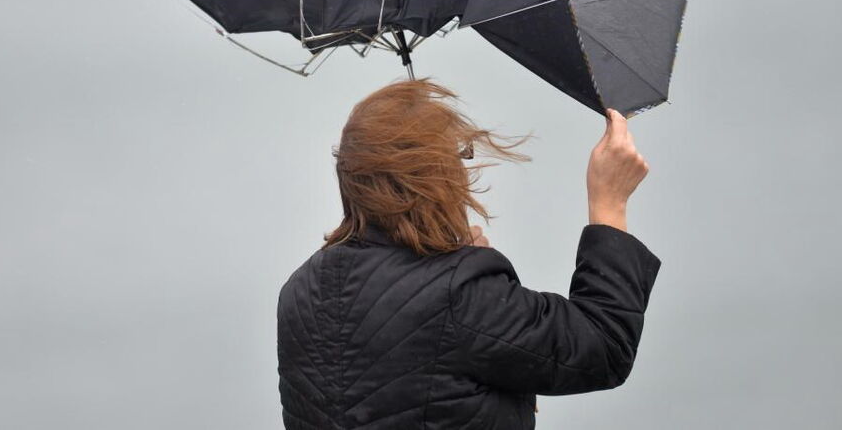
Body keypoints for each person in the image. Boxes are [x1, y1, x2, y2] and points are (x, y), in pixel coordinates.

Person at [276, 78, 660, 429]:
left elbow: (406, 377)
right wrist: (609, 205)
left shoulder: (299, 291)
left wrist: (453, 265)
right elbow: (603, 347)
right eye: (459, 156)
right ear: (434, 176)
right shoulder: (460, 293)